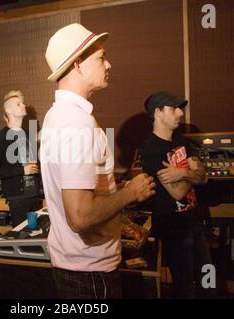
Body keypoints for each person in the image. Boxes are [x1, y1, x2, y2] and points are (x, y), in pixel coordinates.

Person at [40, 23, 156, 299]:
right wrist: (130, 193)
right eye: (101, 57)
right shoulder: (75, 123)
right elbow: (80, 216)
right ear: (78, 64)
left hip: (77, 267)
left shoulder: (59, 116)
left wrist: (114, 185)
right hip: (89, 275)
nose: (109, 64)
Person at [140, 91, 212, 298]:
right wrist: (193, 174)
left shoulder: (182, 141)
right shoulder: (151, 148)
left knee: (209, 277)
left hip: (195, 222)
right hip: (174, 229)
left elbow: (203, 177)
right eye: (174, 109)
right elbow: (178, 193)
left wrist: (182, 173)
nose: (181, 113)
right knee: (185, 287)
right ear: (158, 113)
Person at [0, 90, 41, 227]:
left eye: (22, 103)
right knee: (22, 238)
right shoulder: (1, 138)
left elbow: (35, 164)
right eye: (18, 104)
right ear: (8, 110)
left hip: (34, 195)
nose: (23, 106)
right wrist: (21, 170)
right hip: (17, 199)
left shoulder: (29, 134)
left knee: (36, 236)